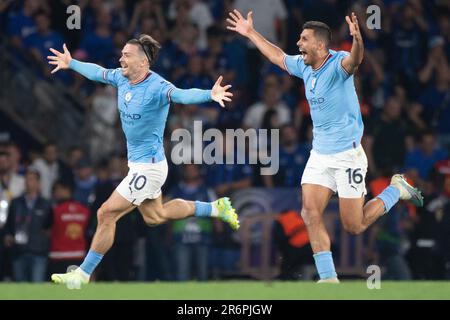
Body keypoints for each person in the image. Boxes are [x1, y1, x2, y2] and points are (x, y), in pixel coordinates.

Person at [227, 9, 423, 283]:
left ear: (320, 44)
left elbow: (355, 61)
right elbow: (277, 56)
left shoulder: (338, 62)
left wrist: (357, 39)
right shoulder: (304, 65)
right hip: (320, 155)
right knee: (309, 211)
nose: (298, 44)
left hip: (348, 157)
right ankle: (329, 278)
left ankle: (396, 190)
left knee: (353, 226)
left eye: (303, 39)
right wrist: (250, 33)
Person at [47, 34, 239, 289]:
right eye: (122, 54)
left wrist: (209, 94)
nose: (121, 58)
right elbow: (98, 72)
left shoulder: (157, 86)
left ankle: (82, 274)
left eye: (126, 55)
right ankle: (216, 208)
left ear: (143, 61)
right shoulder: (121, 78)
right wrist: (72, 64)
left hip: (150, 169)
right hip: (139, 166)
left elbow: (182, 95)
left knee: (105, 213)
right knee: (155, 216)